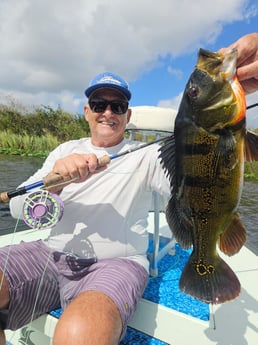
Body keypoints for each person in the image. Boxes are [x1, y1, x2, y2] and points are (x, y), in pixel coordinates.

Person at [0, 32, 258, 345]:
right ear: (87, 112)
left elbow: (187, 183)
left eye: (117, 105)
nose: (107, 112)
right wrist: (55, 183)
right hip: (49, 254)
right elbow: (18, 209)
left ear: (128, 115)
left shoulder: (148, 154)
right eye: (99, 104)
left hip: (117, 264)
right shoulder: (63, 151)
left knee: (80, 333)